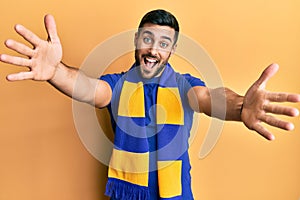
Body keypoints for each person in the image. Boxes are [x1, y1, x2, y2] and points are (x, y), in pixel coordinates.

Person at [0, 9, 299, 200]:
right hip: (129, 195)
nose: (154, 49)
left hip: (177, 196)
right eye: (147, 39)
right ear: (136, 40)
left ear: (172, 49)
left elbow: (210, 98)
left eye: (164, 43)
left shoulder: (185, 86)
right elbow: (89, 89)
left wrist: (240, 106)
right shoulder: (117, 85)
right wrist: (56, 72)